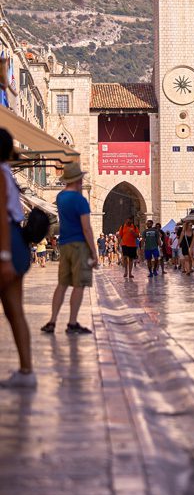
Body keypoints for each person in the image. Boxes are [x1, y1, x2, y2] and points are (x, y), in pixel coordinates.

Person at [41, 162, 98, 335]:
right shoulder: (80, 200)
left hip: (64, 244)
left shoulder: (60, 197)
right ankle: (72, 323)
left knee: (62, 284)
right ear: (77, 180)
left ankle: (52, 321)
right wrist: (94, 252)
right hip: (79, 245)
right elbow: (86, 228)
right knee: (79, 284)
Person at [0, 128, 36, 388]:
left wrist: (4, 257)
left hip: (6, 245)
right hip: (17, 241)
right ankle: (26, 371)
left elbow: (1, 216)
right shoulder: (7, 174)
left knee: (15, 311)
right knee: (15, 311)